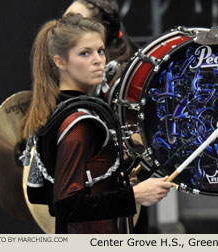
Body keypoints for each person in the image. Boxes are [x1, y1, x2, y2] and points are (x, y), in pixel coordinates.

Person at [20, 13, 172, 234]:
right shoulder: (80, 123)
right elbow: (66, 206)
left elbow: (38, 192)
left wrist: (110, 183)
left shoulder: (50, 111)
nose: (98, 59)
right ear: (60, 62)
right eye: (85, 53)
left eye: (100, 51)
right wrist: (134, 195)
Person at [64, 0, 139, 99]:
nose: (61, 27)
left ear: (98, 30)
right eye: (64, 19)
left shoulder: (118, 85)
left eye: (73, 19)